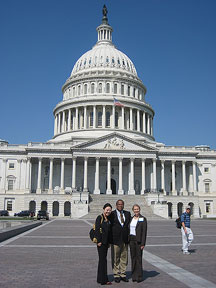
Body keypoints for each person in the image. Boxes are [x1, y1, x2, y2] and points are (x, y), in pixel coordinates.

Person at [110, 199, 131, 283]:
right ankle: (116, 274)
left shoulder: (127, 214)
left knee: (124, 257)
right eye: (119, 204)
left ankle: (123, 274)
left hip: (125, 239)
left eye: (122, 204)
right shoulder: (112, 214)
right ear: (116, 205)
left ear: (123, 205)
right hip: (115, 239)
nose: (120, 205)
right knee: (115, 257)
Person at [95, 203, 112, 285]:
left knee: (102, 260)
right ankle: (104, 280)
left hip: (105, 243)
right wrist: (98, 241)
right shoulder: (99, 217)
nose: (108, 211)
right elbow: (97, 230)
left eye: (109, 210)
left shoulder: (108, 219)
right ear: (104, 209)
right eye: (107, 210)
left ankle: (100, 278)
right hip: (101, 243)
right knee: (103, 261)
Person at [129, 204, 147, 283]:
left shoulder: (143, 219)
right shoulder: (131, 218)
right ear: (133, 210)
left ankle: (139, 276)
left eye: (137, 209)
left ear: (139, 210)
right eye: (135, 209)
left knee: (139, 258)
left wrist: (143, 243)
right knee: (133, 258)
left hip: (139, 240)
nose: (136, 210)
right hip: (131, 240)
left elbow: (144, 232)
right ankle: (134, 276)